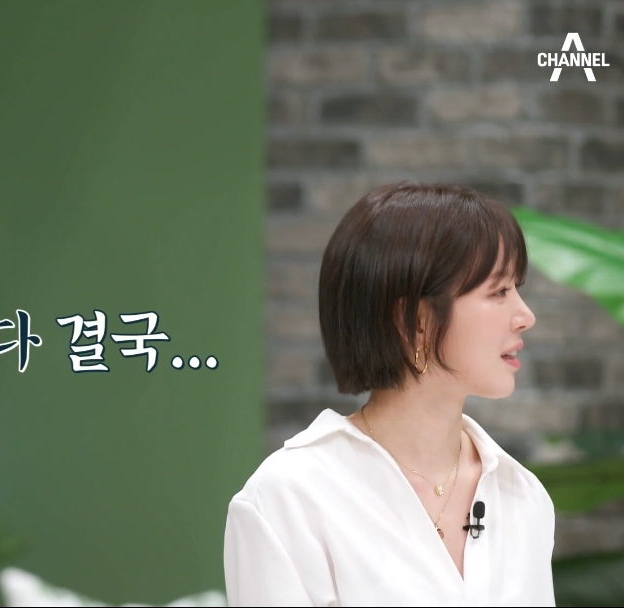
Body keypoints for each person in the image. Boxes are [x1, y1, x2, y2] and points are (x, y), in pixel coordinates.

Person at [223, 182, 555, 606]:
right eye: (499, 292)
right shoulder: (291, 497)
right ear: (415, 320)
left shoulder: (521, 495)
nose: (525, 316)